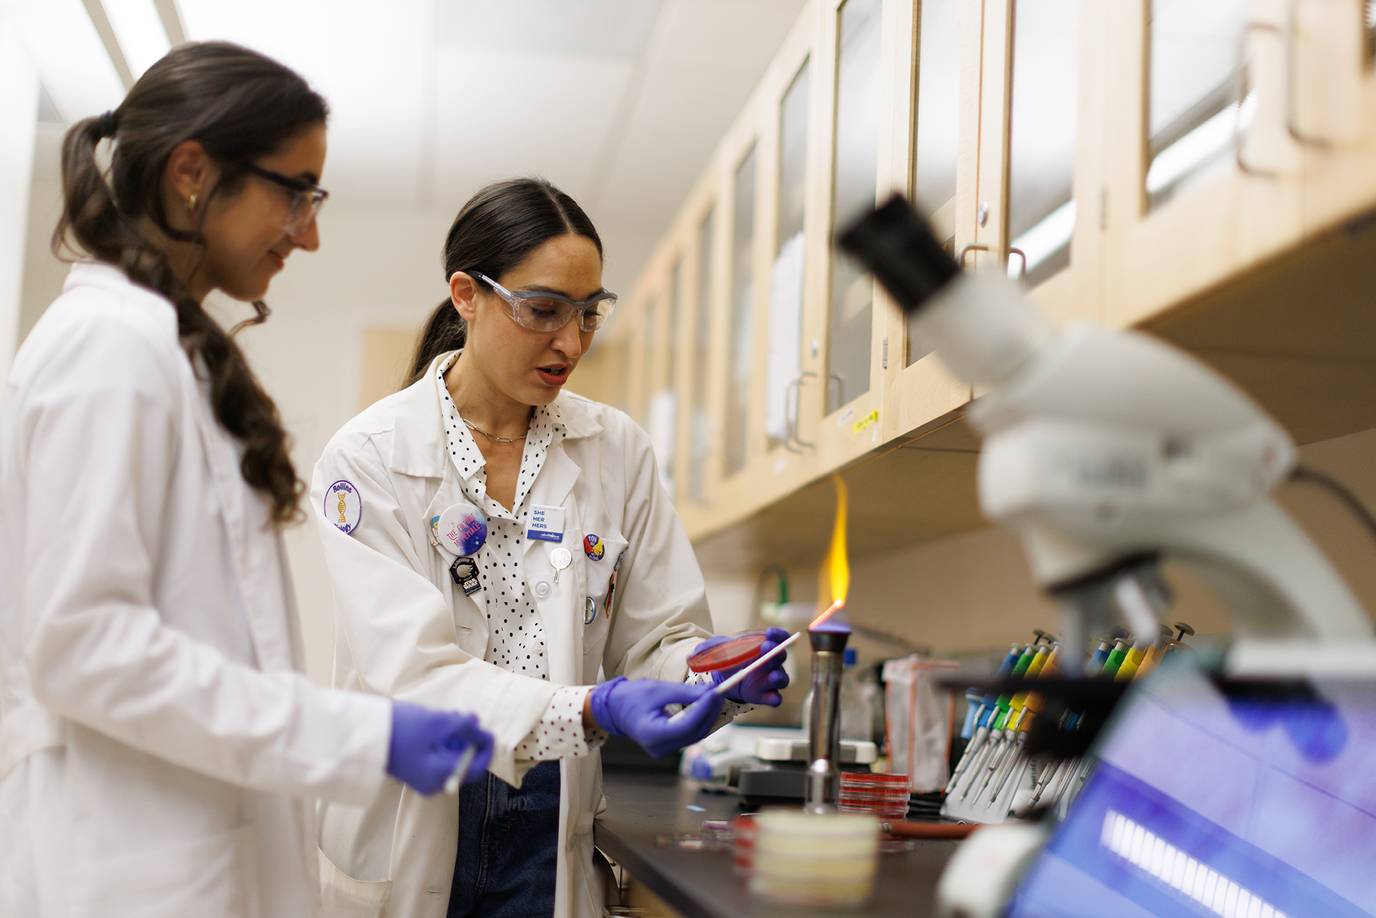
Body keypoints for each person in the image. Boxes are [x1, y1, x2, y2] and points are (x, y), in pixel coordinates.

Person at [0, 42, 494, 918]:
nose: (309, 232)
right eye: (295, 193)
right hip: (128, 869)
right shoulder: (107, 349)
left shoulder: (159, 345)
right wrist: (356, 734)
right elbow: (84, 646)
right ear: (192, 172)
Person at [310, 177, 792, 917]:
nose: (571, 342)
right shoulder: (369, 457)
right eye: (543, 311)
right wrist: (596, 708)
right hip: (420, 812)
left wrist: (713, 677)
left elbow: (659, 636)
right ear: (467, 295)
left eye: (590, 314)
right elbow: (414, 671)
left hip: (551, 817)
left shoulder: (615, 448)